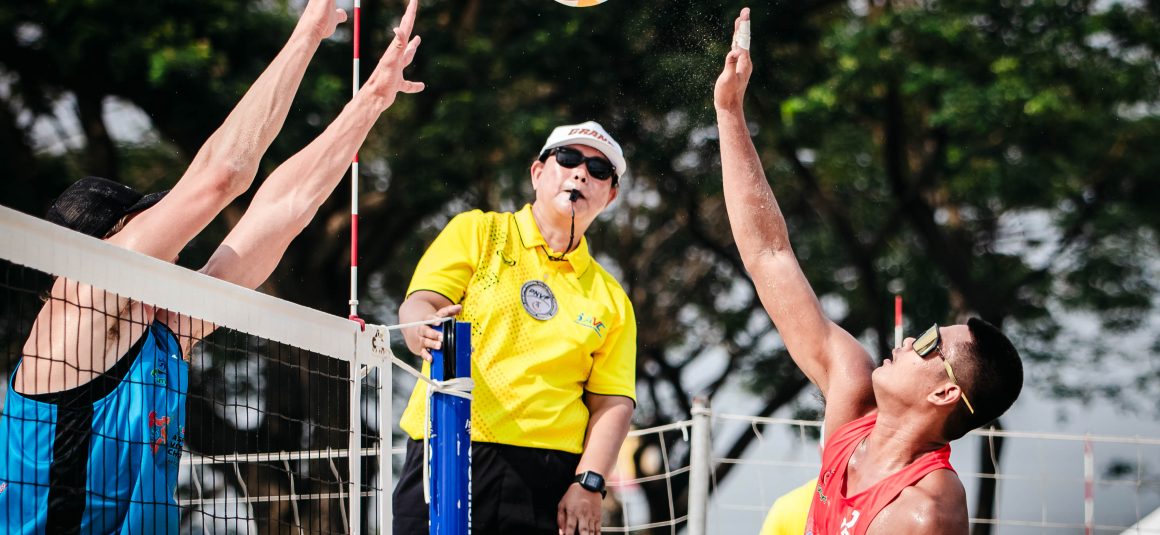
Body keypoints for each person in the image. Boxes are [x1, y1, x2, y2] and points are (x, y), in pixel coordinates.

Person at [0, 0, 425, 532]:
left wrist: (370, 104)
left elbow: (282, 211)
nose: (172, 239)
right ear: (110, 243)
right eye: (146, 224)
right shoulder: (75, 310)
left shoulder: (164, 333)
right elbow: (220, 176)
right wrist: (307, 36)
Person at [714, 8, 1024, 534]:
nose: (907, 342)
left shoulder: (928, 510)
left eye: (928, 343)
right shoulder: (853, 401)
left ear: (945, 393)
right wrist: (729, 112)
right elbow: (769, 255)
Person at [393, 121, 637, 535]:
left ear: (610, 195)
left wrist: (589, 483)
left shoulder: (611, 298)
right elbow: (424, 302)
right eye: (568, 158)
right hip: (450, 445)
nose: (581, 173)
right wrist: (421, 325)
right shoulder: (479, 231)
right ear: (538, 172)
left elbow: (613, 403)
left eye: (599, 170)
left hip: (547, 477)